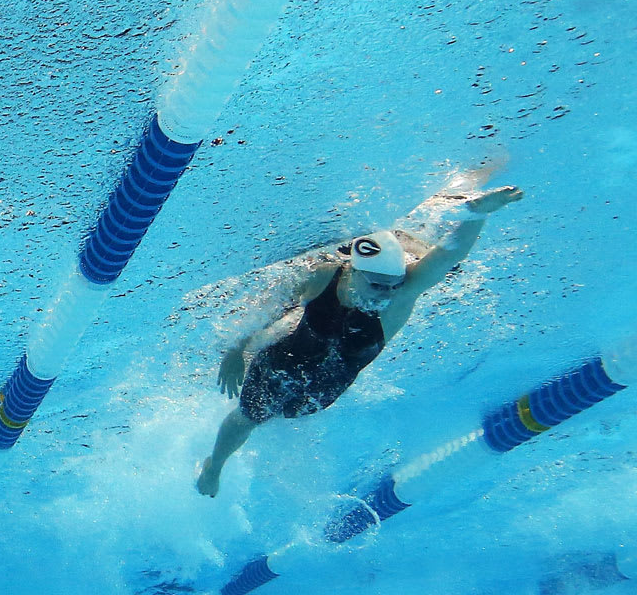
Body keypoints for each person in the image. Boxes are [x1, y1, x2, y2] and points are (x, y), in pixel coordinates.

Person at [195, 183, 524, 496]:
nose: (387, 294)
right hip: (280, 363)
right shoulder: (324, 275)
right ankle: (214, 467)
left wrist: (478, 212)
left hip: (323, 390)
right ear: (353, 271)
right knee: (249, 418)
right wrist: (236, 349)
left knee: (287, 413)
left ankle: (406, 240)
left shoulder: (402, 293)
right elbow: (265, 304)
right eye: (377, 285)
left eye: (394, 284)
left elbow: (447, 258)